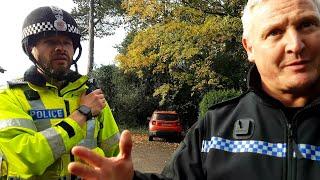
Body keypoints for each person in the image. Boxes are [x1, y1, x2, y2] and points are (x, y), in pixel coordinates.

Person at [68, 0, 320, 179]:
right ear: (249, 48)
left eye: (307, 24)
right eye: (275, 32)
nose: (295, 45)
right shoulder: (215, 126)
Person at [0, 6, 120, 179]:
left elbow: (115, 155)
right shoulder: (10, 97)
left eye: (67, 42)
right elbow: (26, 158)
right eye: (50, 41)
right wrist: (82, 114)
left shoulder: (91, 94)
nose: (60, 48)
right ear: (30, 48)